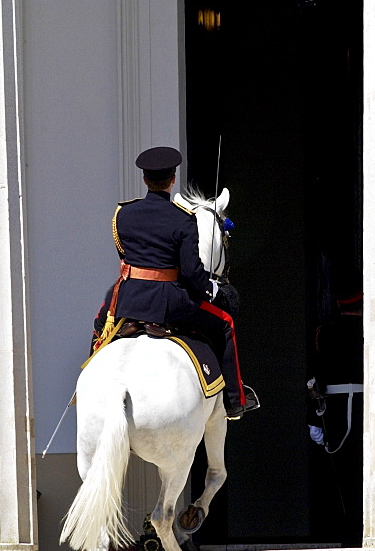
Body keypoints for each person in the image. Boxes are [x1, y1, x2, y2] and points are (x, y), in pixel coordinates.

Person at [92, 146, 257, 419]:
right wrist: (213, 289)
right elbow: (192, 274)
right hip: (169, 303)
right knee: (225, 323)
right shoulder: (183, 219)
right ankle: (234, 399)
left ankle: (90, 379)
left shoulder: (123, 214)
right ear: (173, 179)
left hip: (129, 298)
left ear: (144, 179)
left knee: (100, 322)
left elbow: (126, 256)